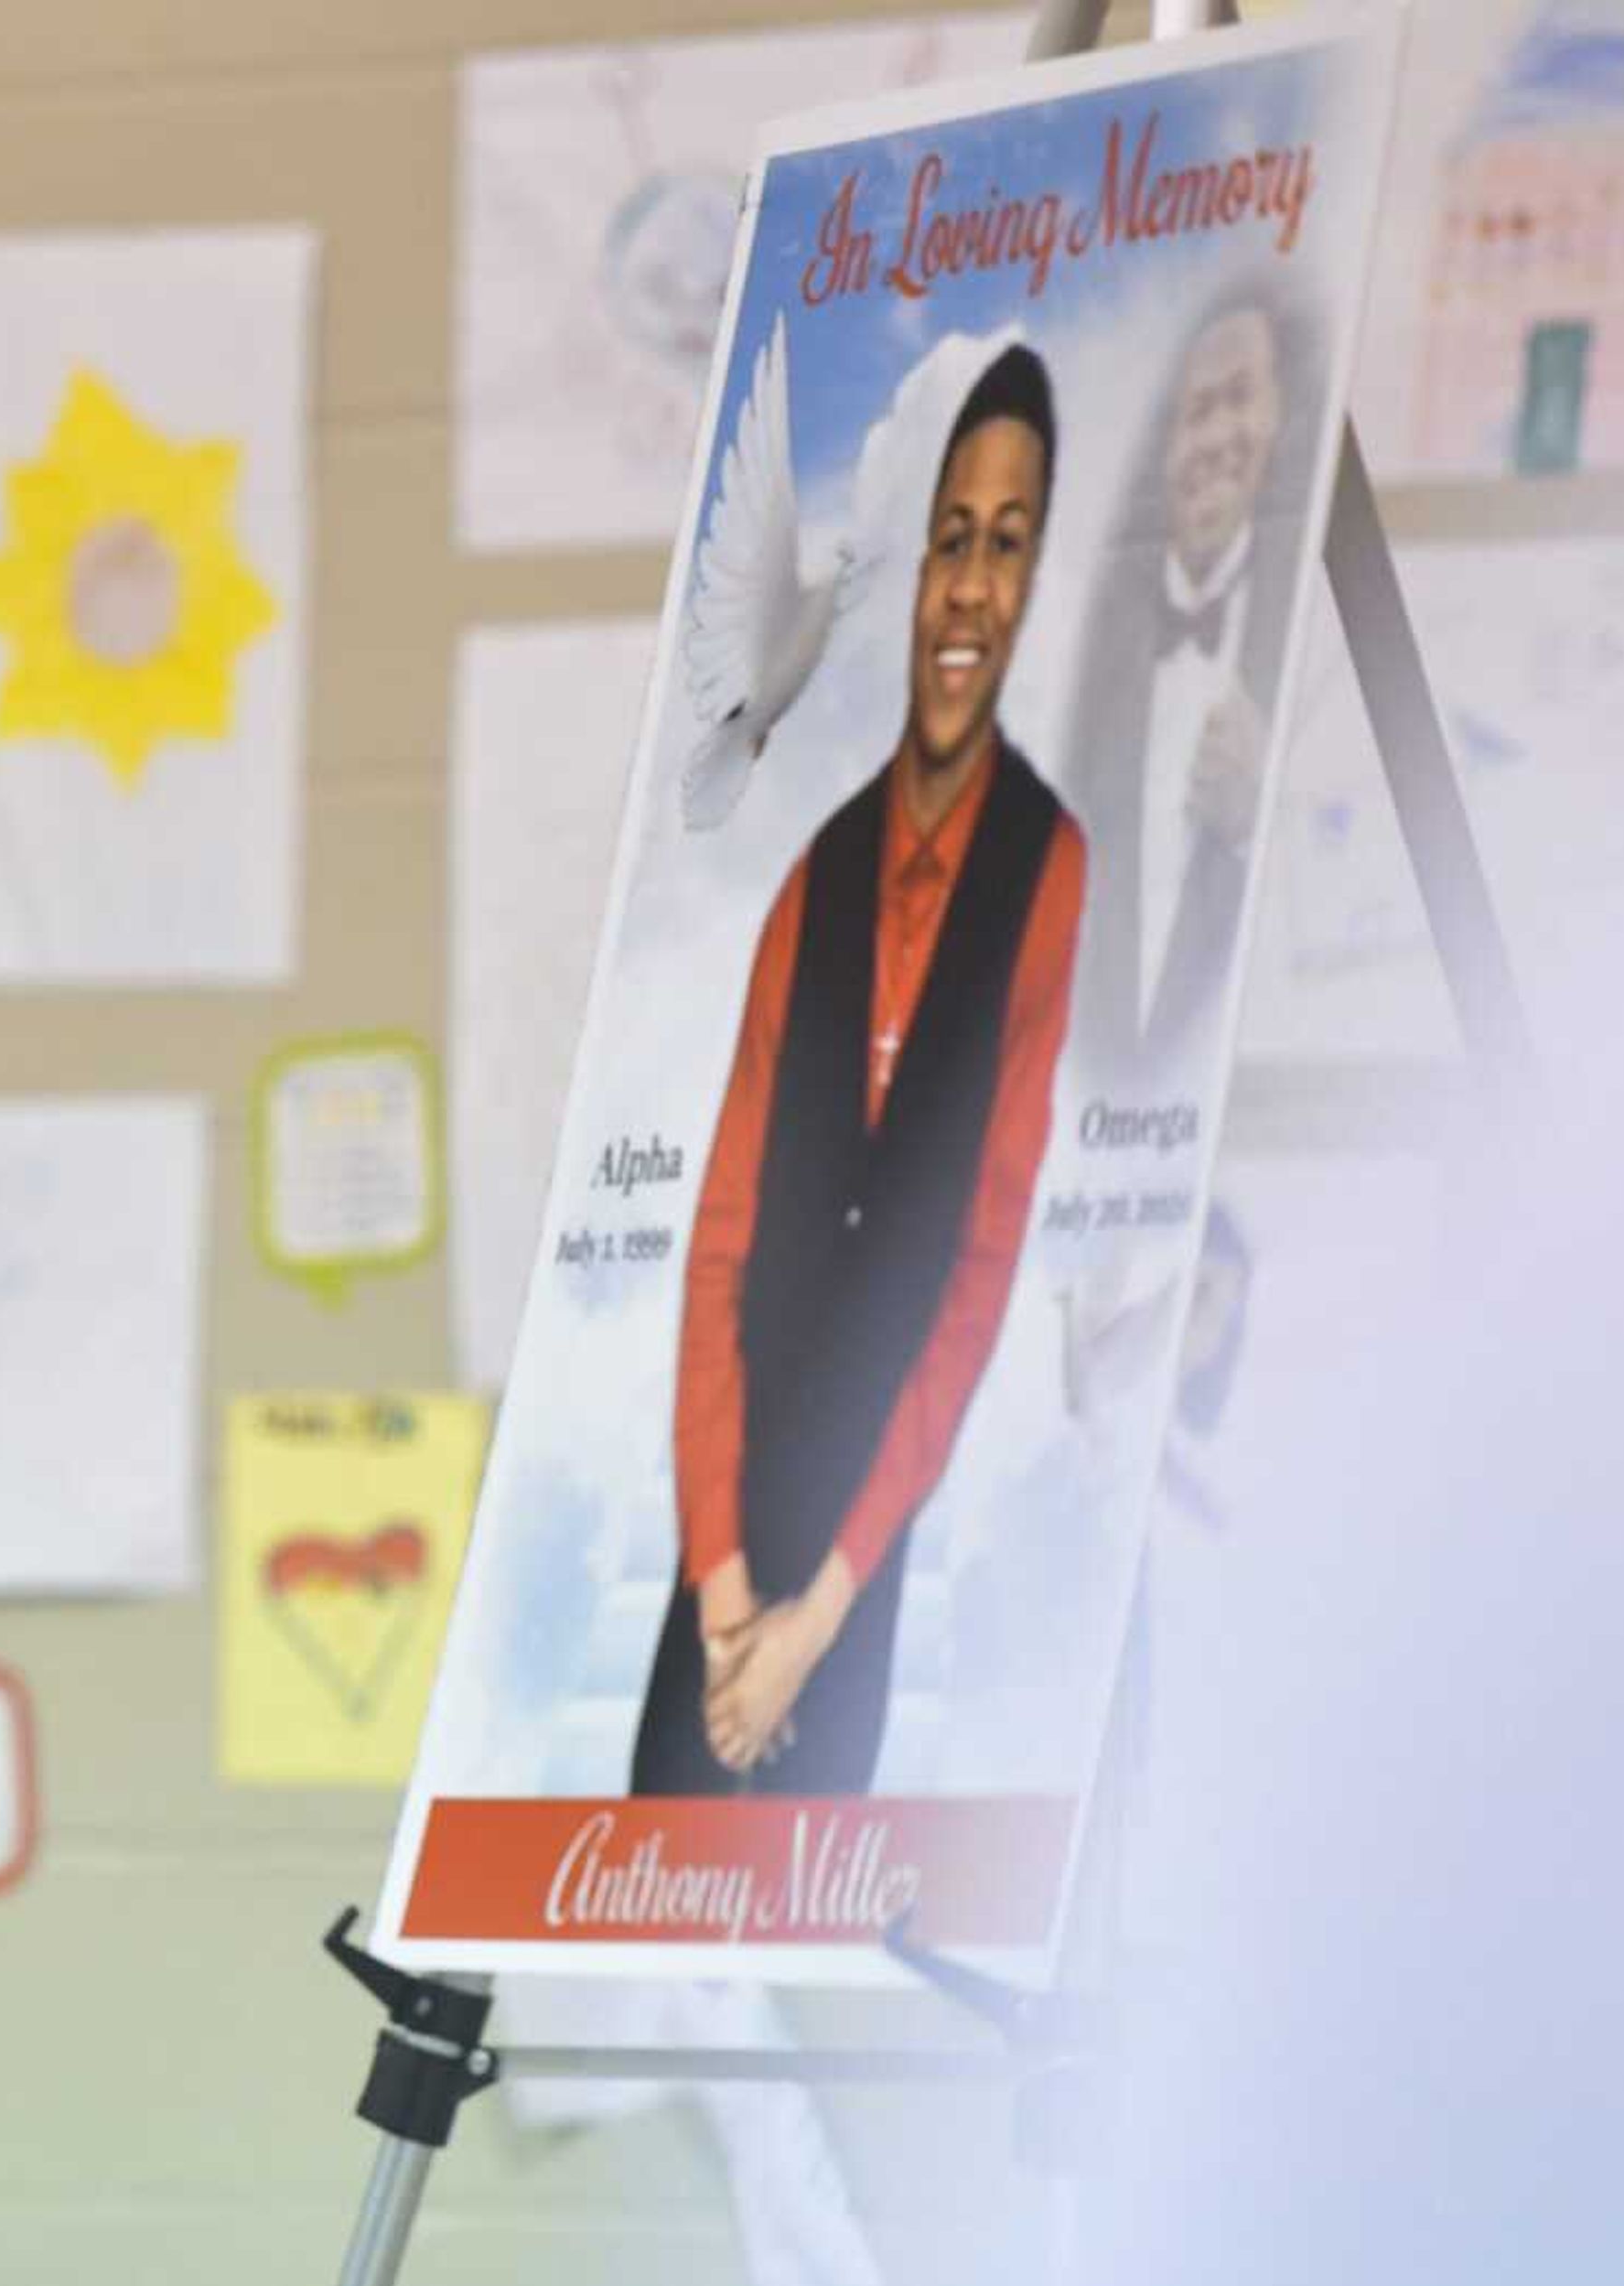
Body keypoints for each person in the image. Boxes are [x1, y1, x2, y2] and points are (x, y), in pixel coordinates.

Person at [632, 344, 1090, 1798]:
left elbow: (978, 1272)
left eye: (1006, 545)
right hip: (723, 1566)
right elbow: (718, 1241)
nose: (969, 585)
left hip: (860, 1564)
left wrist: (811, 1620)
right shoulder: (815, 870)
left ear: (1038, 578)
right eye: (950, 539)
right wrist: (721, 1595)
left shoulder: (1049, 870)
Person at [1062, 283, 1315, 1092]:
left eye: (1238, 401)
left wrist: (1256, 823)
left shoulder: (1317, 634)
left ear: (1279, 420)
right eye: (1193, 413)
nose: (1212, 438)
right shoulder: (1083, 676)